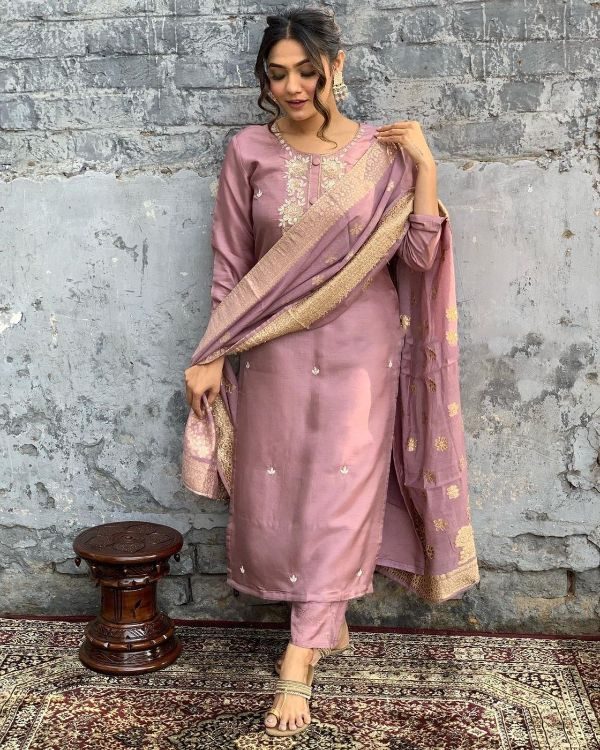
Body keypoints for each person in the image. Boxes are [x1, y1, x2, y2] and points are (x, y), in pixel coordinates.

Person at [181, 5, 480, 738]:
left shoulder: (382, 154)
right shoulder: (248, 150)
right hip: (275, 349)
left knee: (343, 493)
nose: (292, 88)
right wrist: (211, 351)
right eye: (277, 74)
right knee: (280, 492)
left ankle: (299, 658)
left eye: (307, 72)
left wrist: (427, 168)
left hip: (360, 352)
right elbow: (231, 264)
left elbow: (417, 257)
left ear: (336, 67)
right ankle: (324, 614)